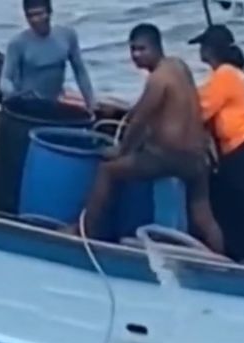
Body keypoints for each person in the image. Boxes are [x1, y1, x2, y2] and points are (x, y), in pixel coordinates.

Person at [67, 24, 223, 254]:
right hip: (197, 159)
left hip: (170, 158)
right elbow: (145, 108)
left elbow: (139, 122)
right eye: (133, 50)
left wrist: (122, 151)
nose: (136, 55)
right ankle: (221, 258)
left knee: (107, 171)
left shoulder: (158, 78)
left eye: (142, 49)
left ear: (156, 48)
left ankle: (85, 232)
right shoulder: (178, 66)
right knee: (203, 213)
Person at [192, 25, 244, 267]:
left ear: (211, 50)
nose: (200, 50)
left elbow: (201, 108)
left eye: (203, 46)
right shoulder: (237, 74)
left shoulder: (225, 75)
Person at [0, 0, 95, 110]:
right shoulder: (17, 43)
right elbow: (5, 80)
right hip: (26, 105)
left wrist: (90, 103)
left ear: (49, 12)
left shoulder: (67, 36)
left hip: (53, 103)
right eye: (30, 16)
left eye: (39, 14)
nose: (35, 20)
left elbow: (80, 72)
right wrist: (14, 94)